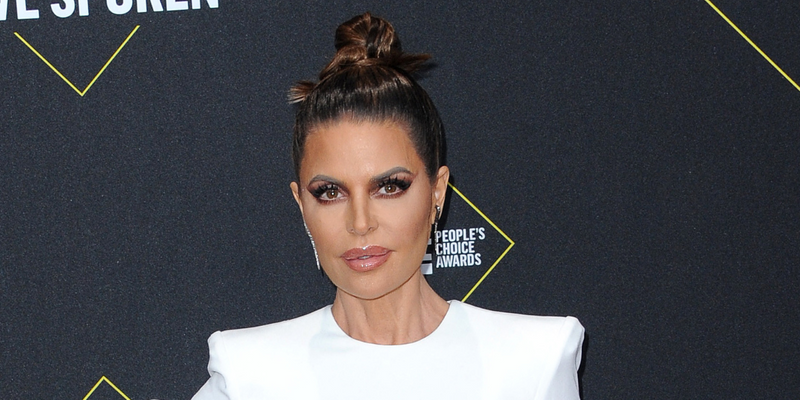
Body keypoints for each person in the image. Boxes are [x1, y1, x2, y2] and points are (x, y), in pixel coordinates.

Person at [192, 12, 584, 400]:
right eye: (330, 192)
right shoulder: (250, 374)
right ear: (300, 203)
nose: (360, 223)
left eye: (389, 187)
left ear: (437, 191)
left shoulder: (534, 361)